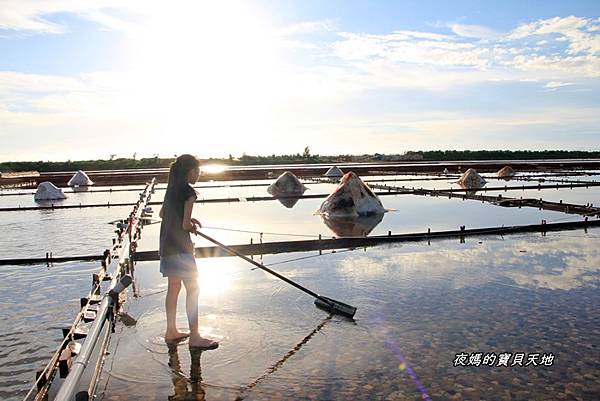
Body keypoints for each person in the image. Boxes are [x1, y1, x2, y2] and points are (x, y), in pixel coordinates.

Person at [159, 154, 218, 350]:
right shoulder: (189, 192)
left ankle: (171, 331)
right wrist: (191, 226)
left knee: (174, 288)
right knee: (193, 289)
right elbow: (184, 224)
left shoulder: (171, 189)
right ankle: (195, 337)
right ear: (191, 171)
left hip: (166, 245)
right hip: (181, 248)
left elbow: (163, 214)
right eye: (198, 172)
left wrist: (187, 222)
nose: (199, 175)